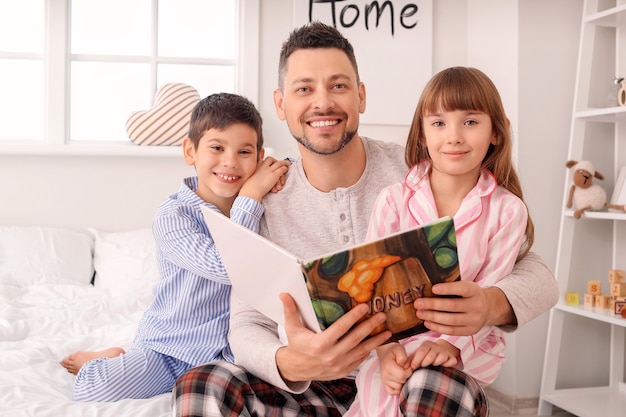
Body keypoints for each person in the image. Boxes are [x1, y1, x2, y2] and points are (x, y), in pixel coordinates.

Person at [172, 22, 558, 416]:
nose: (322, 103)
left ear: (361, 96)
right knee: (202, 386)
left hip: (410, 376)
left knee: (436, 387)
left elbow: (538, 272)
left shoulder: (424, 169)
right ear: (280, 104)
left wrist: (491, 304)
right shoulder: (264, 196)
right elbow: (246, 321)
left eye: (338, 86)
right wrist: (292, 363)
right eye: (304, 89)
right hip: (311, 389)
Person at [60, 92, 290, 401]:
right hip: (169, 348)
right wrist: (249, 198)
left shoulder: (264, 204)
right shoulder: (173, 216)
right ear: (190, 151)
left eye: (244, 151)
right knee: (96, 389)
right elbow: (228, 267)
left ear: (260, 158)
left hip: (232, 353)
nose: (231, 162)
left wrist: (275, 177)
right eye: (217, 148)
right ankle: (102, 359)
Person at [344, 66, 532, 416]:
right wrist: (386, 352)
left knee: (428, 387)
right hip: (395, 341)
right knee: (379, 392)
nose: (454, 136)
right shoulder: (393, 200)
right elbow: (373, 292)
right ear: (422, 134)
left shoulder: (508, 211)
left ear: (496, 132)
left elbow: (490, 293)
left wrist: (451, 344)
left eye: (471, 122)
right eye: (439, 123)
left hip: (469, 344)